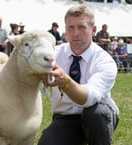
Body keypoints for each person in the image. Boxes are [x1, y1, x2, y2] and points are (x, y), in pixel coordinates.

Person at [37, 5, 118, 145]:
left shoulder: (105, 61)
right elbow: (24, 66)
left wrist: (65, 82)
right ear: (65, 29)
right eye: (71, 28)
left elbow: (88, 98)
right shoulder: (54, 54)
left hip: (98, 115)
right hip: (65, 117)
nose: (75, 33)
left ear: (93, 30)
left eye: (81, 27)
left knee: (96, 114)